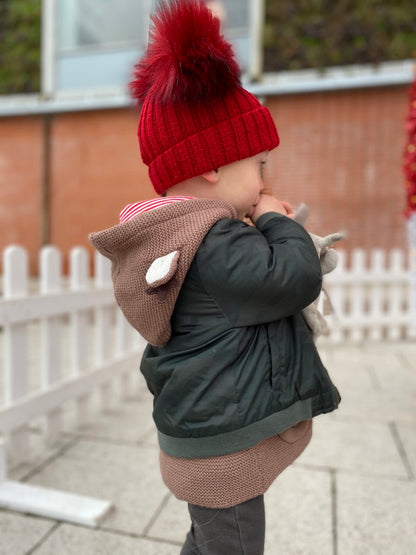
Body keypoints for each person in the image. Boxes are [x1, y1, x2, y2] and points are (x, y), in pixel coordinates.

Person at [89, 1, 340, 553]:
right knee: (233, 545)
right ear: (211, 166)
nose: (263, 180)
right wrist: (275, 218)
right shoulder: (211, 240)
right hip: (220, 445)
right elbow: (291, 280)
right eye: (258, 165)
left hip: (204, 432)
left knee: (210, 539)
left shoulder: (180, 234)